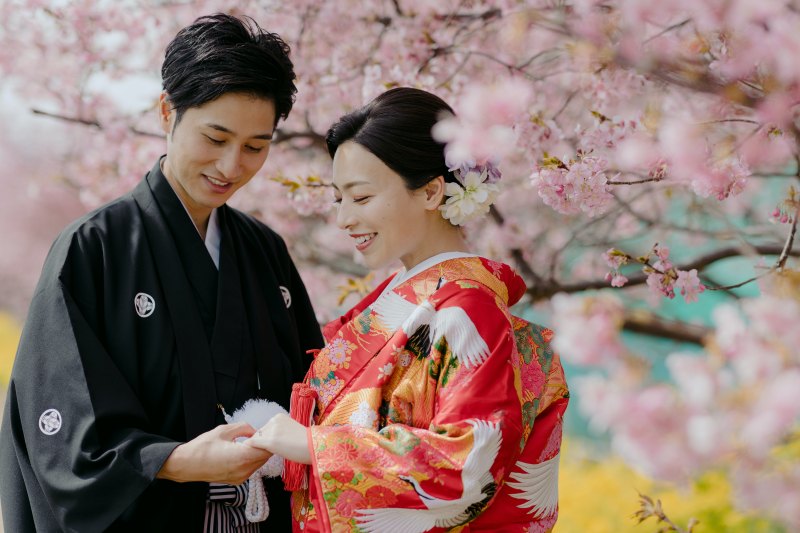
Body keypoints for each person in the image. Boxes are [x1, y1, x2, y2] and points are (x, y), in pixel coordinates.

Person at [0, 14, 324, 532]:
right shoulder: (94, 250)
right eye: (215, 137)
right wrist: (176, 461)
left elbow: (316, 392)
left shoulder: (265, 251)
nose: (231, 166)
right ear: (167, 111)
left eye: (255, 146)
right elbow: (61, 430)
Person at [245, 87, 570, 532]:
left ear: (432, 191)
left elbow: (469, 461)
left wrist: (314, 446)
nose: (343, 219)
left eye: (361, 198)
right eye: (339, 199)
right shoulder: (414, 299)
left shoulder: (468, 309)